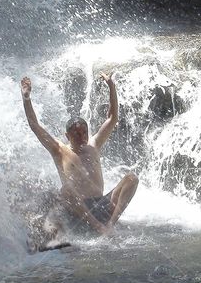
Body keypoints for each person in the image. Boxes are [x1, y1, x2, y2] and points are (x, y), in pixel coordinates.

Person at [20, 73, 138, 235]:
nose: (81, 137)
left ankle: (111, 223)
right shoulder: (59, 150)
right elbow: (35, 126)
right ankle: (98, 226)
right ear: (67, 136)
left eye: (84, 133)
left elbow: (112, 117)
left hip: (102, 205)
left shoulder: (94, 145)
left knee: (132, 178)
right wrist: (26, 98)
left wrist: (111, 86)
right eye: (76, 134)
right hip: (78, 211)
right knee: (65, 190)